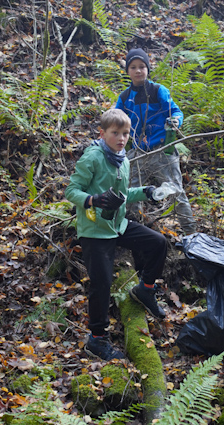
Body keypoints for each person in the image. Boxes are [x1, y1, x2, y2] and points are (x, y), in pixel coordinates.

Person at [65, 108, 168, 361]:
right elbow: (71, 191)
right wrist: (93, 200)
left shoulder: (123, 158)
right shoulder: (93, 157)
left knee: (158, 243)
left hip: (117, 225)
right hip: (94, 232)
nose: (121, 138)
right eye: (115, 133)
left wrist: (146, 191)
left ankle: (144, 289)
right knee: (101, 285)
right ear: (102, 133)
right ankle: (97, 340)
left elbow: (122, 195)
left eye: (125, 133)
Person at [115, 47, 196, 235]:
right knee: (130, 190)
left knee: (175, 190)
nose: (138, 71)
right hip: (137, 151)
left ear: (148, 69)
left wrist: (176, 121)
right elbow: (115, 118)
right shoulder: (125, 97)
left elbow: (176, 111)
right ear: (127, 71)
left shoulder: (158, 91)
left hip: (162, 150)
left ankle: (191, 234)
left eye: (142, 66)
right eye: (133, 67)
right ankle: (133, 228)